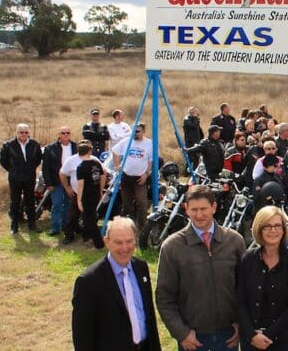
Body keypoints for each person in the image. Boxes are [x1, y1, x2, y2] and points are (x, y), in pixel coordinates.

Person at [156, 185, 246, 351]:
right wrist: (182, 333)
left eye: (204, 209)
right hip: (192, 339)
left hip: (228, 336)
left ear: (214, 207)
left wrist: (241, 325)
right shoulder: (172, 247)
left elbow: (246, 289)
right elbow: (164, 297)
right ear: (186, 209)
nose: (199, 215)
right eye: (194, 210)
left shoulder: (234, 241)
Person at [72, 217, 161, 351]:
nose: (125, 248)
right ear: (107, 241)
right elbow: (82, 335)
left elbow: (149, 316)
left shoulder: (141, 268)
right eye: (118, 242)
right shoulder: (89, 281)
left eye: (129, 241)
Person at [237, 206, 288, 351]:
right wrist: (252, 335)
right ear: (259, 229)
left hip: (283, 340)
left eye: (277, 226)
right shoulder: (248, 258)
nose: (273, 230)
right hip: (252, 340)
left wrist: (268, 334)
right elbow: (240, 301)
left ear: (284, 229)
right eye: (267, 226)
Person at [1, 123, 43, 234]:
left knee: (30, 201)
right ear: (17, 133)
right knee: (15, 201)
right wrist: (13, 170)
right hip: (15, 178)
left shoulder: (34, 144)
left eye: (26, 132)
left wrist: (30, 168)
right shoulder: (8, 145)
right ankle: (14, 226)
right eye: (21, 132)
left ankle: (32, 225)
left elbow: (38, 159)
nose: (24, 134)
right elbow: (3, 161)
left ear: (28, 133)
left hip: (30, 177)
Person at [112, 124, 153, 227]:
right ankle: (129, 226)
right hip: (126, 177)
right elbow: (114, 151)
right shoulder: (127, 141)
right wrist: (117, 165)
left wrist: (146, 174)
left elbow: (150, 161)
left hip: (140, 178)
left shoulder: (149, 144)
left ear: (143, 131)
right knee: (126, 205)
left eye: (138, 131)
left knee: (142, 203)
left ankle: (142, 228)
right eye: (133, 131)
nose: (135, 133)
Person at [60, 140, 97, 244]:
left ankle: (88, 236)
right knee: (72, 216)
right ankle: (69, 235)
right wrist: (67, 187)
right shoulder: (71, 160)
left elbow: (103, 173)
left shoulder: (94, 160)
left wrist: (99, 189)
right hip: (76, 193)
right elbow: (62, 173)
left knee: (91, 216)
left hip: (90, 195)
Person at [42, 126, 77, 236]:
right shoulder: (50, 148)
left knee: (68, 204)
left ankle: (65, 226)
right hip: (56, 181)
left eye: (68, 132)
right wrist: (49, 183)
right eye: (63, 133)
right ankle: (55, 228)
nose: (66, 134)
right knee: (56, 204)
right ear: (59, 135)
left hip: (71, 181)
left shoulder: (75, 147)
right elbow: (45, 167)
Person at [76, 142, 107, 249]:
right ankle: (89, 238)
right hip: (95, 193)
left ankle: (99, 243)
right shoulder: (96, 163)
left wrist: (79, 199)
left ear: (79, 154)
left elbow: (80, 185)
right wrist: (100, 190)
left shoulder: (81, 167)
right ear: (89, 152)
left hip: (86, 195)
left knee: (88, 220)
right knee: (92, 216)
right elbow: (103, 176)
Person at [183, 107, 204, 173]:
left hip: (196, 140)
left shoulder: (195, 119)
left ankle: (195, 171)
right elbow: (193, 126)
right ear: (190, 112)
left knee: (196, 157)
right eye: (194, 112)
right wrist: (195, 118)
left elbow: (198, 129)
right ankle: (186, 172)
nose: (196, 114)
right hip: (190, 142)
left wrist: (201, 137)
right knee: (190, 157)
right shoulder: (187, 119)